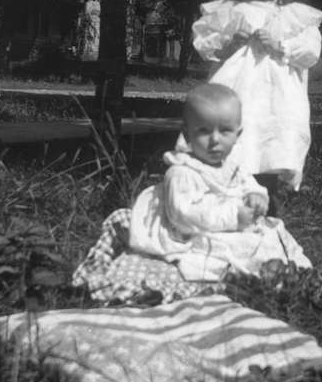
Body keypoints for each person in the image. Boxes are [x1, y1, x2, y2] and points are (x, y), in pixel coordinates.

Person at [191, 0, 322, 211]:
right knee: (237, 150)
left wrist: (280, 45)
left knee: (273, 149)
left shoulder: (295, 17)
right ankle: (225, 216)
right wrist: (229, 45)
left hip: (278, 102)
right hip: (239, 96)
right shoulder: (233, 10)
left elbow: (311, 52)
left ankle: (270, 217)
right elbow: (206, 44)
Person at [129, 82, 311, 281]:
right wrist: (233, 217)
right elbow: (183, 214)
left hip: (232, 223)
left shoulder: (231, 165)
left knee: (273, 232)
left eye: (225, 131)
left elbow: (248, 183)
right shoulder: (182, 172)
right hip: (195, 231)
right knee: (228, 249)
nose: (215, 139)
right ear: (187, 133)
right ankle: (257, 275)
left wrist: (256, 195)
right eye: (204, 131)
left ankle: (283, 271)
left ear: (237, 135)